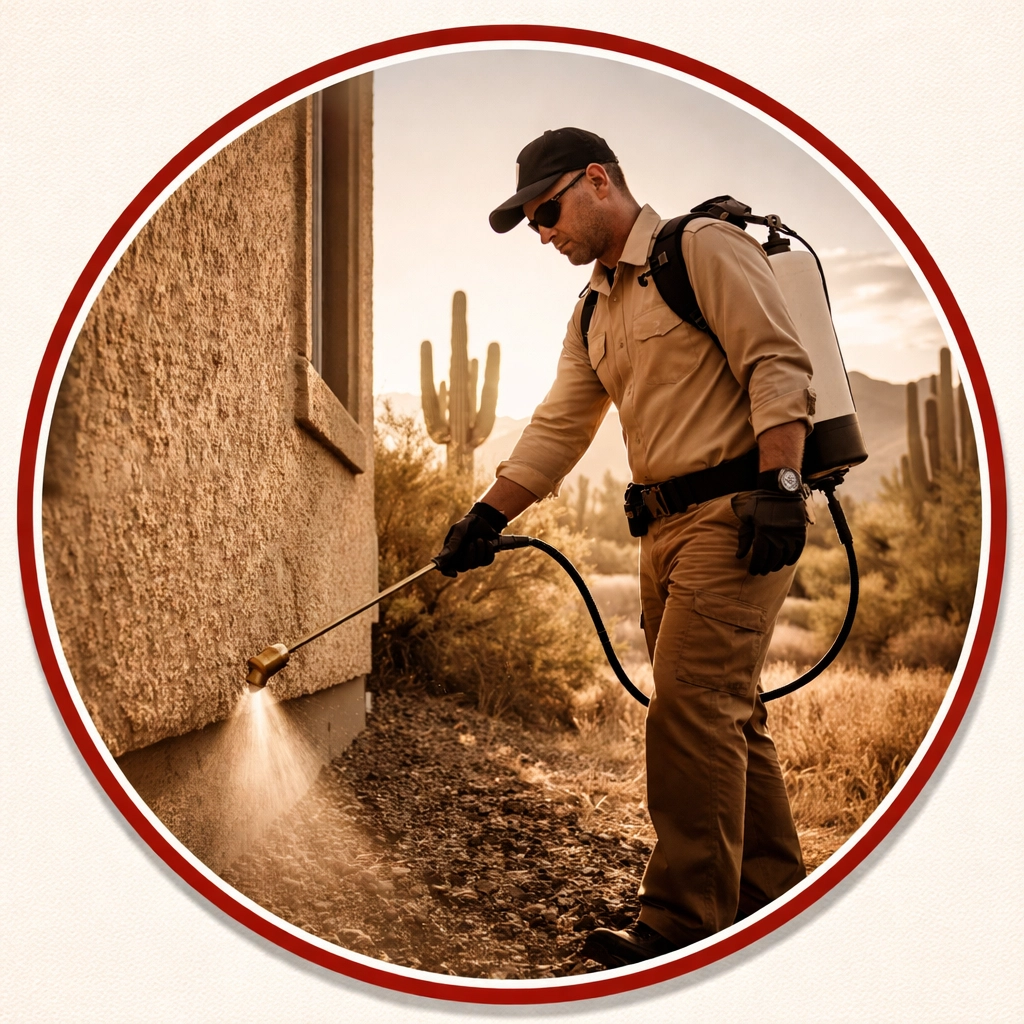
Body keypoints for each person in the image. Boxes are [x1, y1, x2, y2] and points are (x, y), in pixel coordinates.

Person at [434, 127, 813, 968]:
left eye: (547, 210)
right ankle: (772, 907)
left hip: (740, 512)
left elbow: (778, 366)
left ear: (598, 181)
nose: (542, 232)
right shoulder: (595, 308)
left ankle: (681, 926)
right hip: (663, 531)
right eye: (532, 221)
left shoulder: (700, 249)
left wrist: (782, 484)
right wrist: (487, 515)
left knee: (689, 709)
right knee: (726, 716)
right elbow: (560, 425)